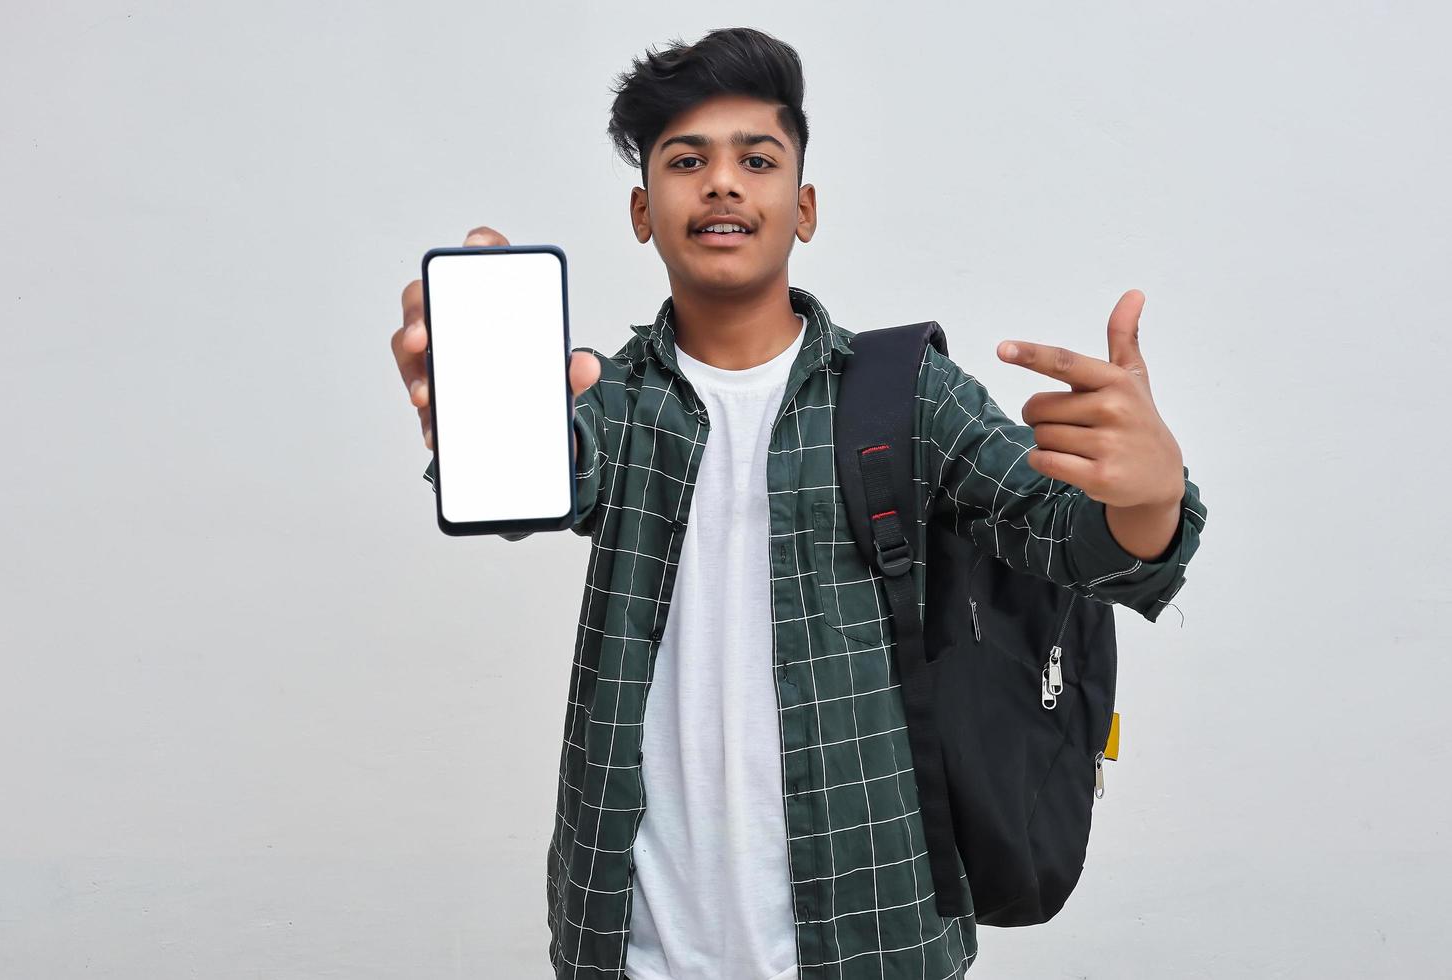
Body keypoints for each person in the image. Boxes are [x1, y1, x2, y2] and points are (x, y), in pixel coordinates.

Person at [389, 26, 1206, 980]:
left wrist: (1149, 496)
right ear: (642, 210)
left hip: (871, 935)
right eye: (687, 161)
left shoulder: (906, 393)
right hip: (629, 941)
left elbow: (1073, 542)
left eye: (757, 159)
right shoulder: (609, 399)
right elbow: (548, 480)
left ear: (804, 207)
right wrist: (480, 410)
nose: (724, 183)